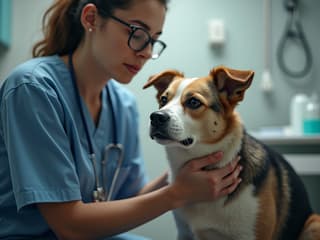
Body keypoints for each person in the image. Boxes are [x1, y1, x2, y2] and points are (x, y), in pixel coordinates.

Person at [0, 0, 243, 239]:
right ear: (91, 19)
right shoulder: (33, 88)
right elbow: (68, 226)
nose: (147, 53)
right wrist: (177, 193)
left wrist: (188, 168)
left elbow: (131, 199)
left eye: (154, 40)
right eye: (138, 33)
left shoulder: (123, 105)